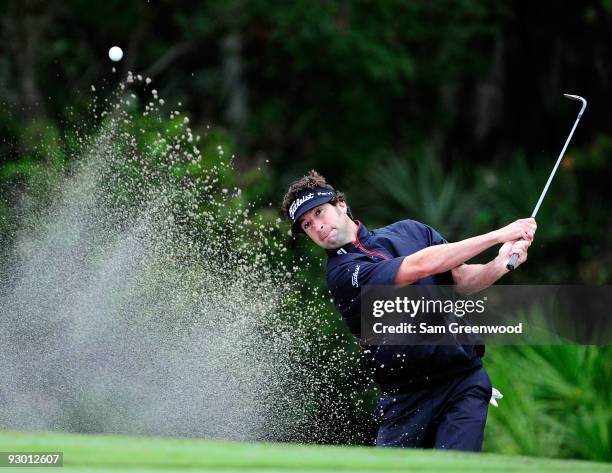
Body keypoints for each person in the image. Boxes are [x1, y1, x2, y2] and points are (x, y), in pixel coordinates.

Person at [281, 170, 536, 451]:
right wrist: (497, 235)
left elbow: (461, 281)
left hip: (462, 379)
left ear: (340, 205)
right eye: (306, 224)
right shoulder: (342, 273)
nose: (316, 225)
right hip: (406, 399)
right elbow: (419, 267)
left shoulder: (411, 231)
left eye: (319, 212)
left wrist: (499, 264)